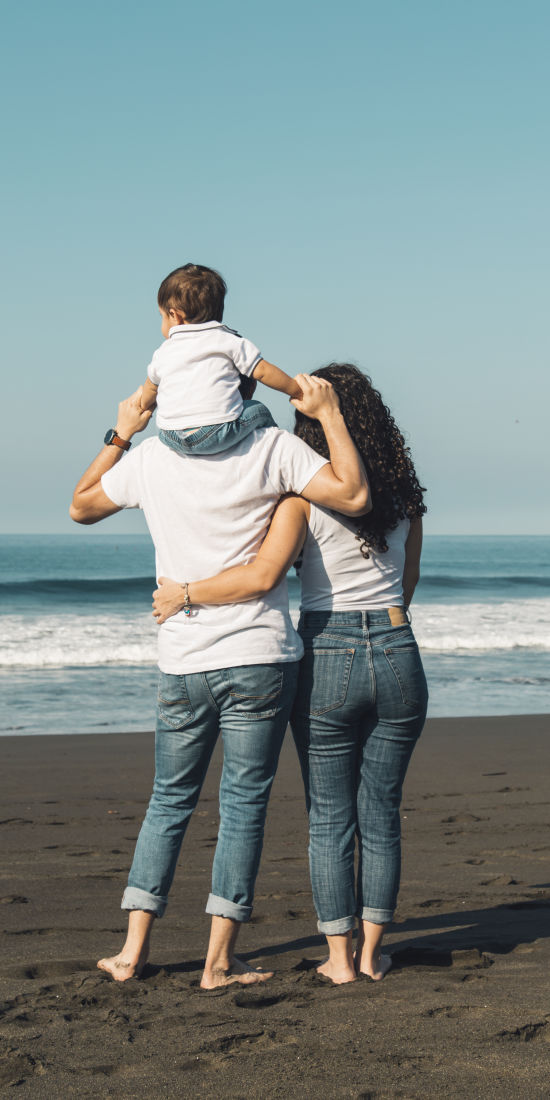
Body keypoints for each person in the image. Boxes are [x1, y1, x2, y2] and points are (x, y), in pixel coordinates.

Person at [69, 372, 370, 988]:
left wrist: (123, 431)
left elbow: (81, 505)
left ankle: (131, 954)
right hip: (258, 656)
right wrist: (329, 412)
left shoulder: (152, 457)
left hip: (184, 660)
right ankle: (217, 962)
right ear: (242, 389)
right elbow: (353, 495)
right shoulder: (275, 450)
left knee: (168, 802)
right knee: (242, 808)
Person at [152, 364, 428, 986]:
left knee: (330, 814)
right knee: (381, 809)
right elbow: (407, 585)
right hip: (397, 646)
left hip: (327, 648)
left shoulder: (302, 496)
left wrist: (186, 592)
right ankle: (372, 955)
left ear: (310, 422)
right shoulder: (407, 496)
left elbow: (264, 575)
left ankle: (337, 959)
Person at [139, 263, 302, 457]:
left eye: (162, 316)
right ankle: (277, 452)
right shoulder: (229, 341)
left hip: (170, 436)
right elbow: (263, 372)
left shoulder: (163, 352)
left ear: (175, 316)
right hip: (217, 432)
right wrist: (297, 390)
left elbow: (150, 389)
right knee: (259, 410)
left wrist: (142, 406)